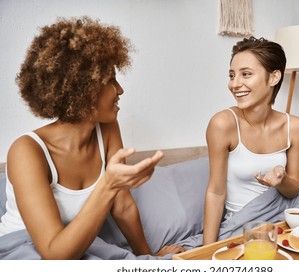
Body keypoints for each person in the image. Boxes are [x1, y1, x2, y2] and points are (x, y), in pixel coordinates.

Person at [0, 16, 184, 259]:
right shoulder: (26, 151)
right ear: (83, 89)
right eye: (110, 80)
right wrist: (108, 184)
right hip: (24, 251)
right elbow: (54, 255)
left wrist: (148, 260)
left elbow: (123, 206)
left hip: (74, 246)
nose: (120, 90)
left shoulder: (107, 128)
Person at [203, 36, 299, 245]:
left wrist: (281, 179)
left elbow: (294, 189)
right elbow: (215, 192)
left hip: (286, 221)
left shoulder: (295, 127)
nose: (235, 84)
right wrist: (207, 252)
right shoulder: (223, 124)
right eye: (232, 75)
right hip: (243, 227)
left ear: (273, 77)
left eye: (246, 74)